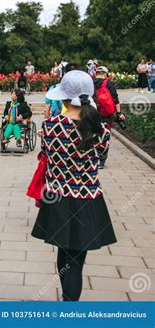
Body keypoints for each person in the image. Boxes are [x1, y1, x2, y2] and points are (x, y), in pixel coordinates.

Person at [31, 70, 116, 301]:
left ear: (64, 97)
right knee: (77, 261)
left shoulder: (50, 126)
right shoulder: (102, 130)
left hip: (57, 197)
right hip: (87, 198)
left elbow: (46, 155)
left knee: (62, 251)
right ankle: (70, 306)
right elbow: (100, 160)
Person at [93, 66, 125, 169]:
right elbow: (115, 99)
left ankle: (92, 159)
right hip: (105, 115)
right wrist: (119, 114)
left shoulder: (89, 83)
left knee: (93, 136)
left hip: (92, 115)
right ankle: (101, 162)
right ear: (105, 74)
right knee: (104, 137)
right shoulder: (108, 83)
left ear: (96, 73)